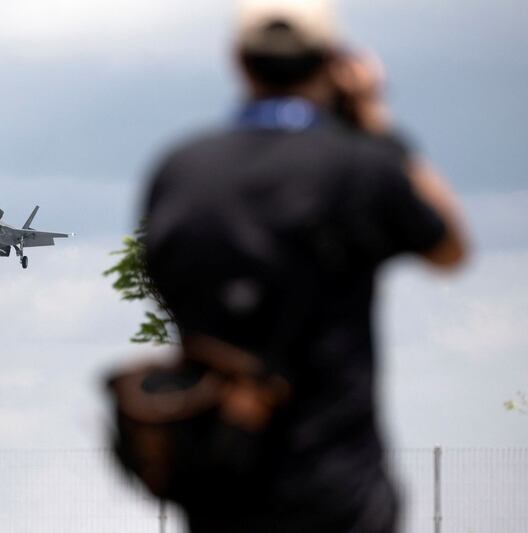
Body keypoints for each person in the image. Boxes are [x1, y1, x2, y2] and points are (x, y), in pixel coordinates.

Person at [140, 0, 468, 531]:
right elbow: (450, 247)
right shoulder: (360, 165)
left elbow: (161, 271)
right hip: (339, 488)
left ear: (238, 60)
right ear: (332, 62)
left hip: (223, 484)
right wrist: (376, 122)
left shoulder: (183, 169)